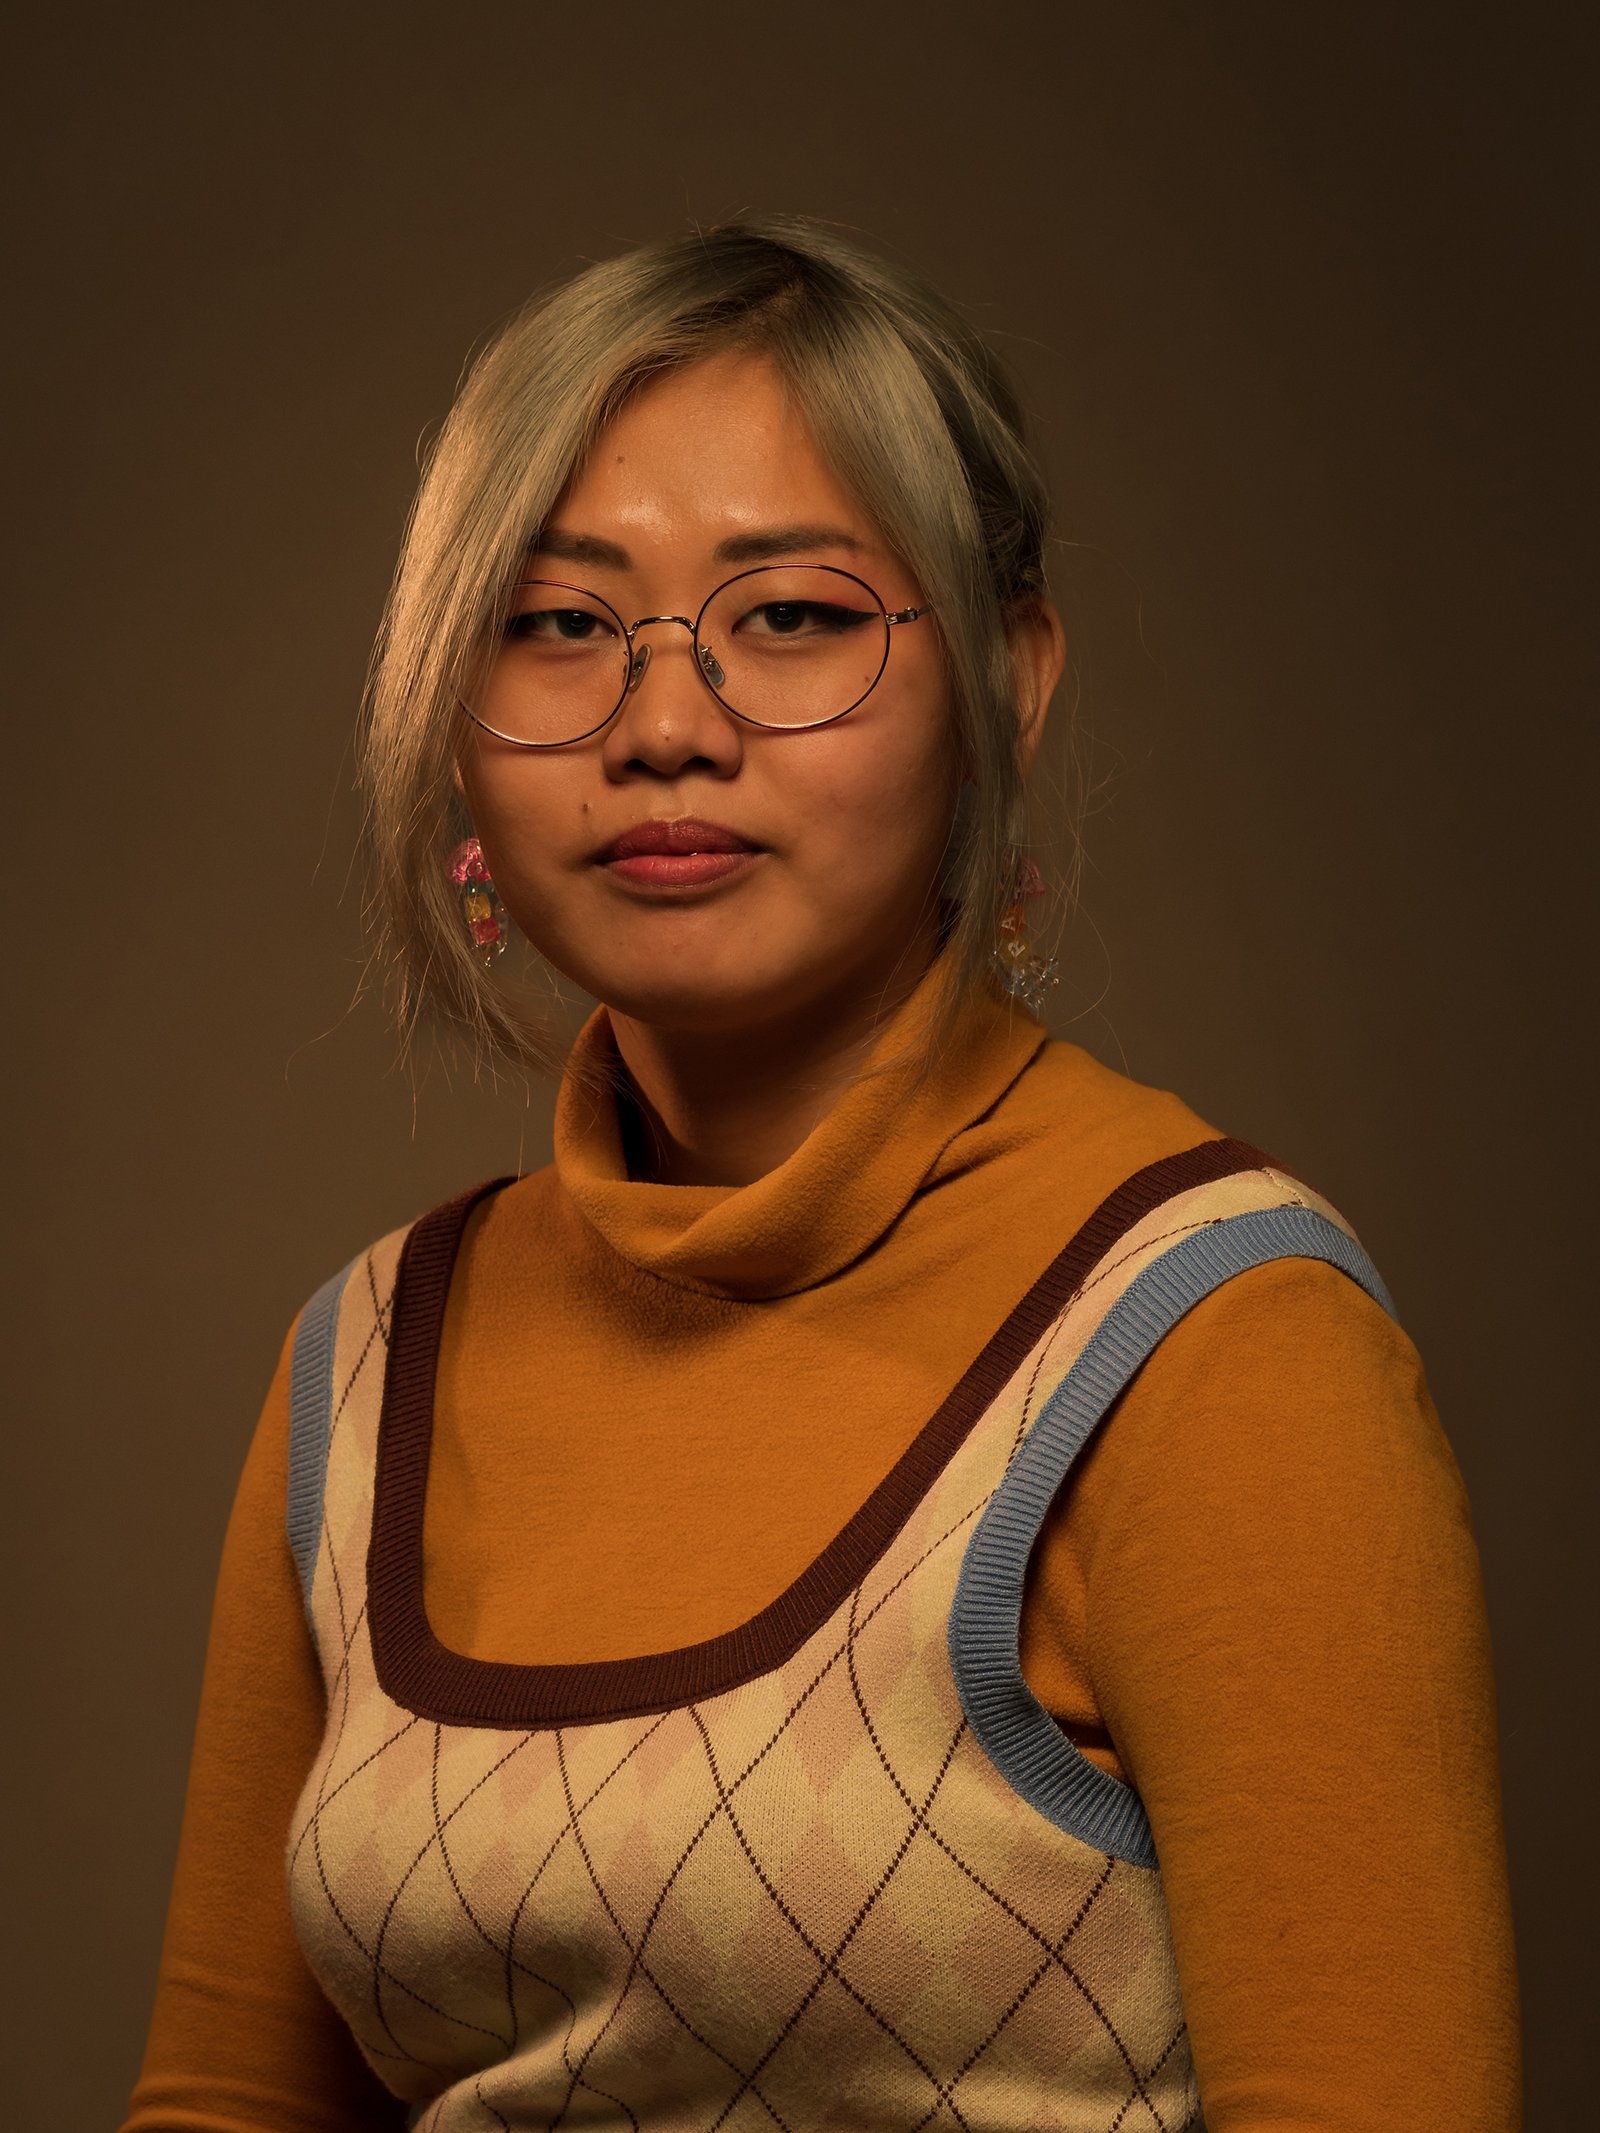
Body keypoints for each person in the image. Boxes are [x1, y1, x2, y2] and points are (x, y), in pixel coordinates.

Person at [122, 217, 1520, 2133]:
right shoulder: (362, 1364)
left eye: (790, 614)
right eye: (558, 622)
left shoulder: (1218, 1343)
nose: (664, 726)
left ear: (1008, 678)